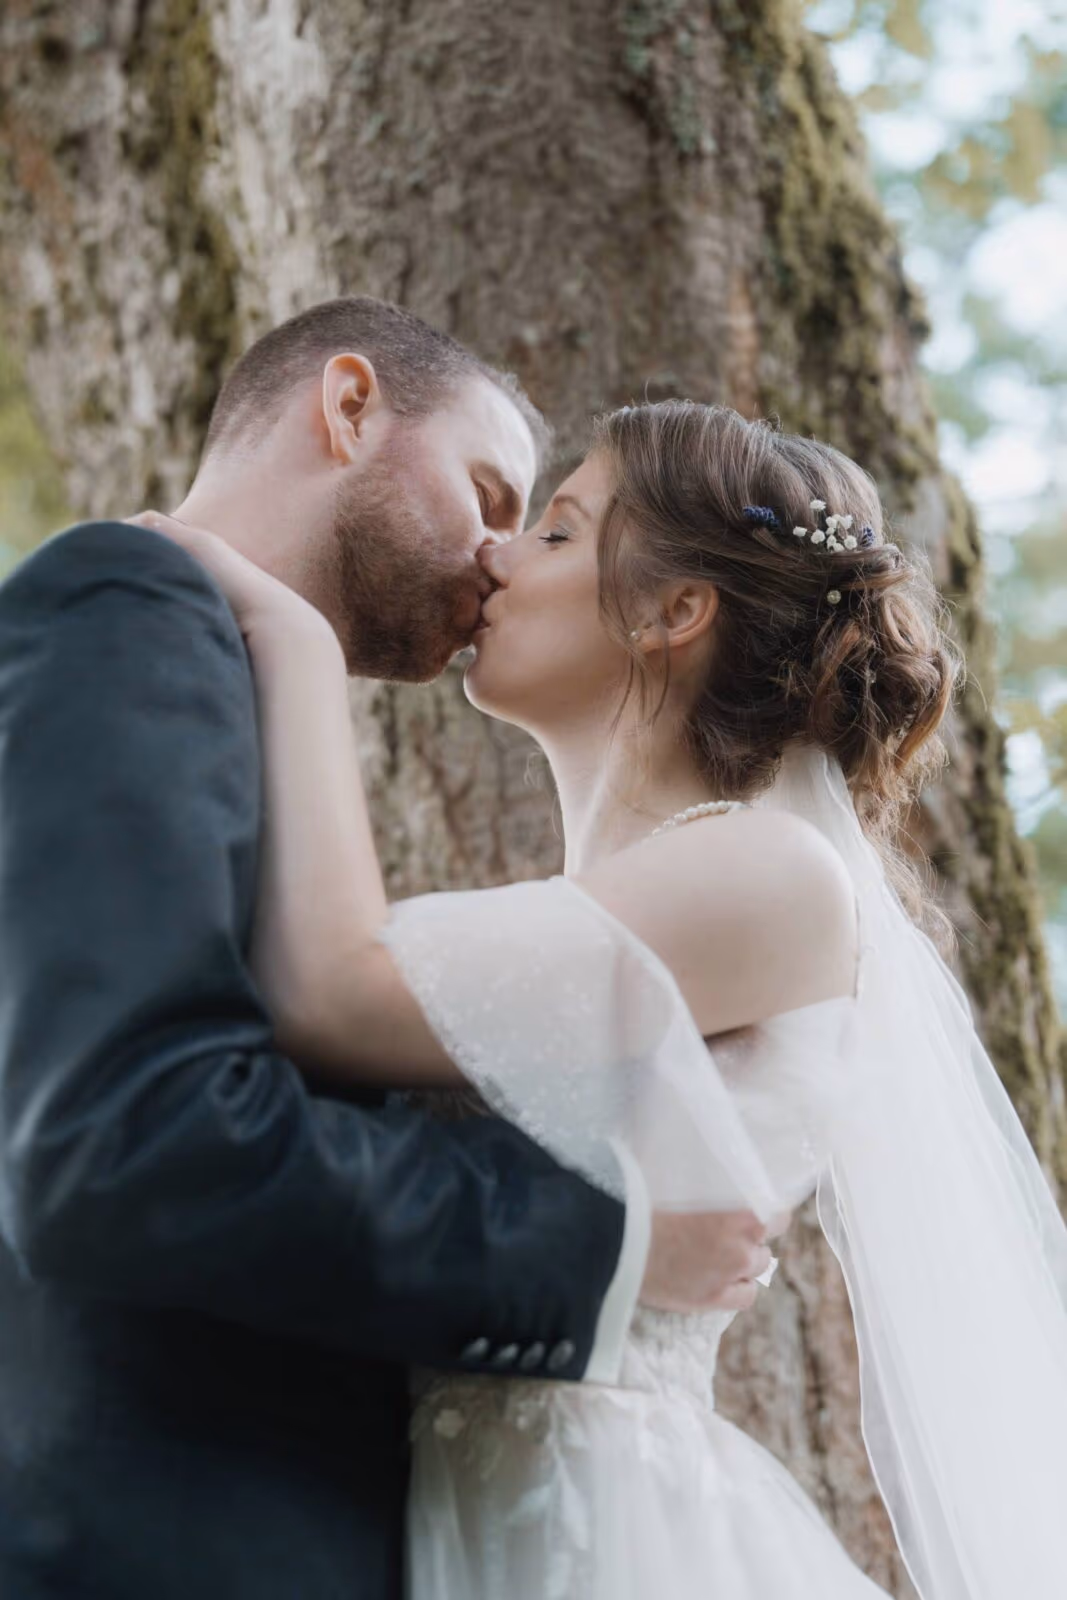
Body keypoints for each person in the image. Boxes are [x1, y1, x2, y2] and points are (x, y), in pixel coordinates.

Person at [139, 393, 1067, 1600]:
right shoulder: (605, 915)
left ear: (676, 611)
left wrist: (295, 644)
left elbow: (330, 991)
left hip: (596, 1537)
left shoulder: (775, 873)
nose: (493, 550)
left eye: (559, 531)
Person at [0, 300, 777, 1600]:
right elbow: (121, 1142)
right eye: (484, 491)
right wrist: (596, 1243)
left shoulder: (231, 686)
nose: (494, 556)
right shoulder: (128, 604)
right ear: (348, 405)